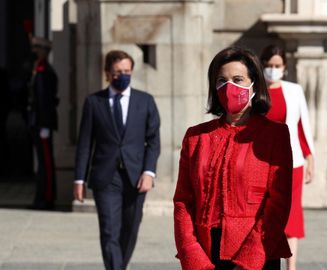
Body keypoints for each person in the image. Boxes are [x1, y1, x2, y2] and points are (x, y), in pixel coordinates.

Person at [173, 46, 293, 270]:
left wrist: (251, 259)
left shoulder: (274, 135)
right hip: (205, 252)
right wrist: (191, 254)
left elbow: (278, 203)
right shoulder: (196, 136)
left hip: (257, 252)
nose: (229, 87)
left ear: (254, 84)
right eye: (221, 80)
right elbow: (183, 201)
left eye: (238, 79)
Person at [74, 50, 160, 270]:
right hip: (106, 177)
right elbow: (85, 143)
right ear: (107, 73)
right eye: (117, 72)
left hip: (136, 177)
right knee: (109, 229)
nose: (122, 75)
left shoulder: (145, 101)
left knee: (130, 229)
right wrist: (79, 180)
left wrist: (149, 172)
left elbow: (153, 141)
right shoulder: (94, 102)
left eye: (126, 71)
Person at [260, 45, 315, 270]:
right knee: (264, 214)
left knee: (291, 214)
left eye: (277, 66)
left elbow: (302, 126)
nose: (273, 70)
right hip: (261, 162)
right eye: (268, 66)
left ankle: (291, 266)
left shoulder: (294, 90)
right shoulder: (256, 92)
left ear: (284, 67)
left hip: (292, 162)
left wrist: (310, 156)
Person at [28, 37, 59, 210]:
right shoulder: (39, 69)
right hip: (38, 123)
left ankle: (46, 198)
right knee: (42, 162)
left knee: (46, 163)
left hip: (42, 124)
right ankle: (41, 197)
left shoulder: (44, 71)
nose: (34, 51)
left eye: (36, 48)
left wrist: (45, 125)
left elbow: (45, 101)